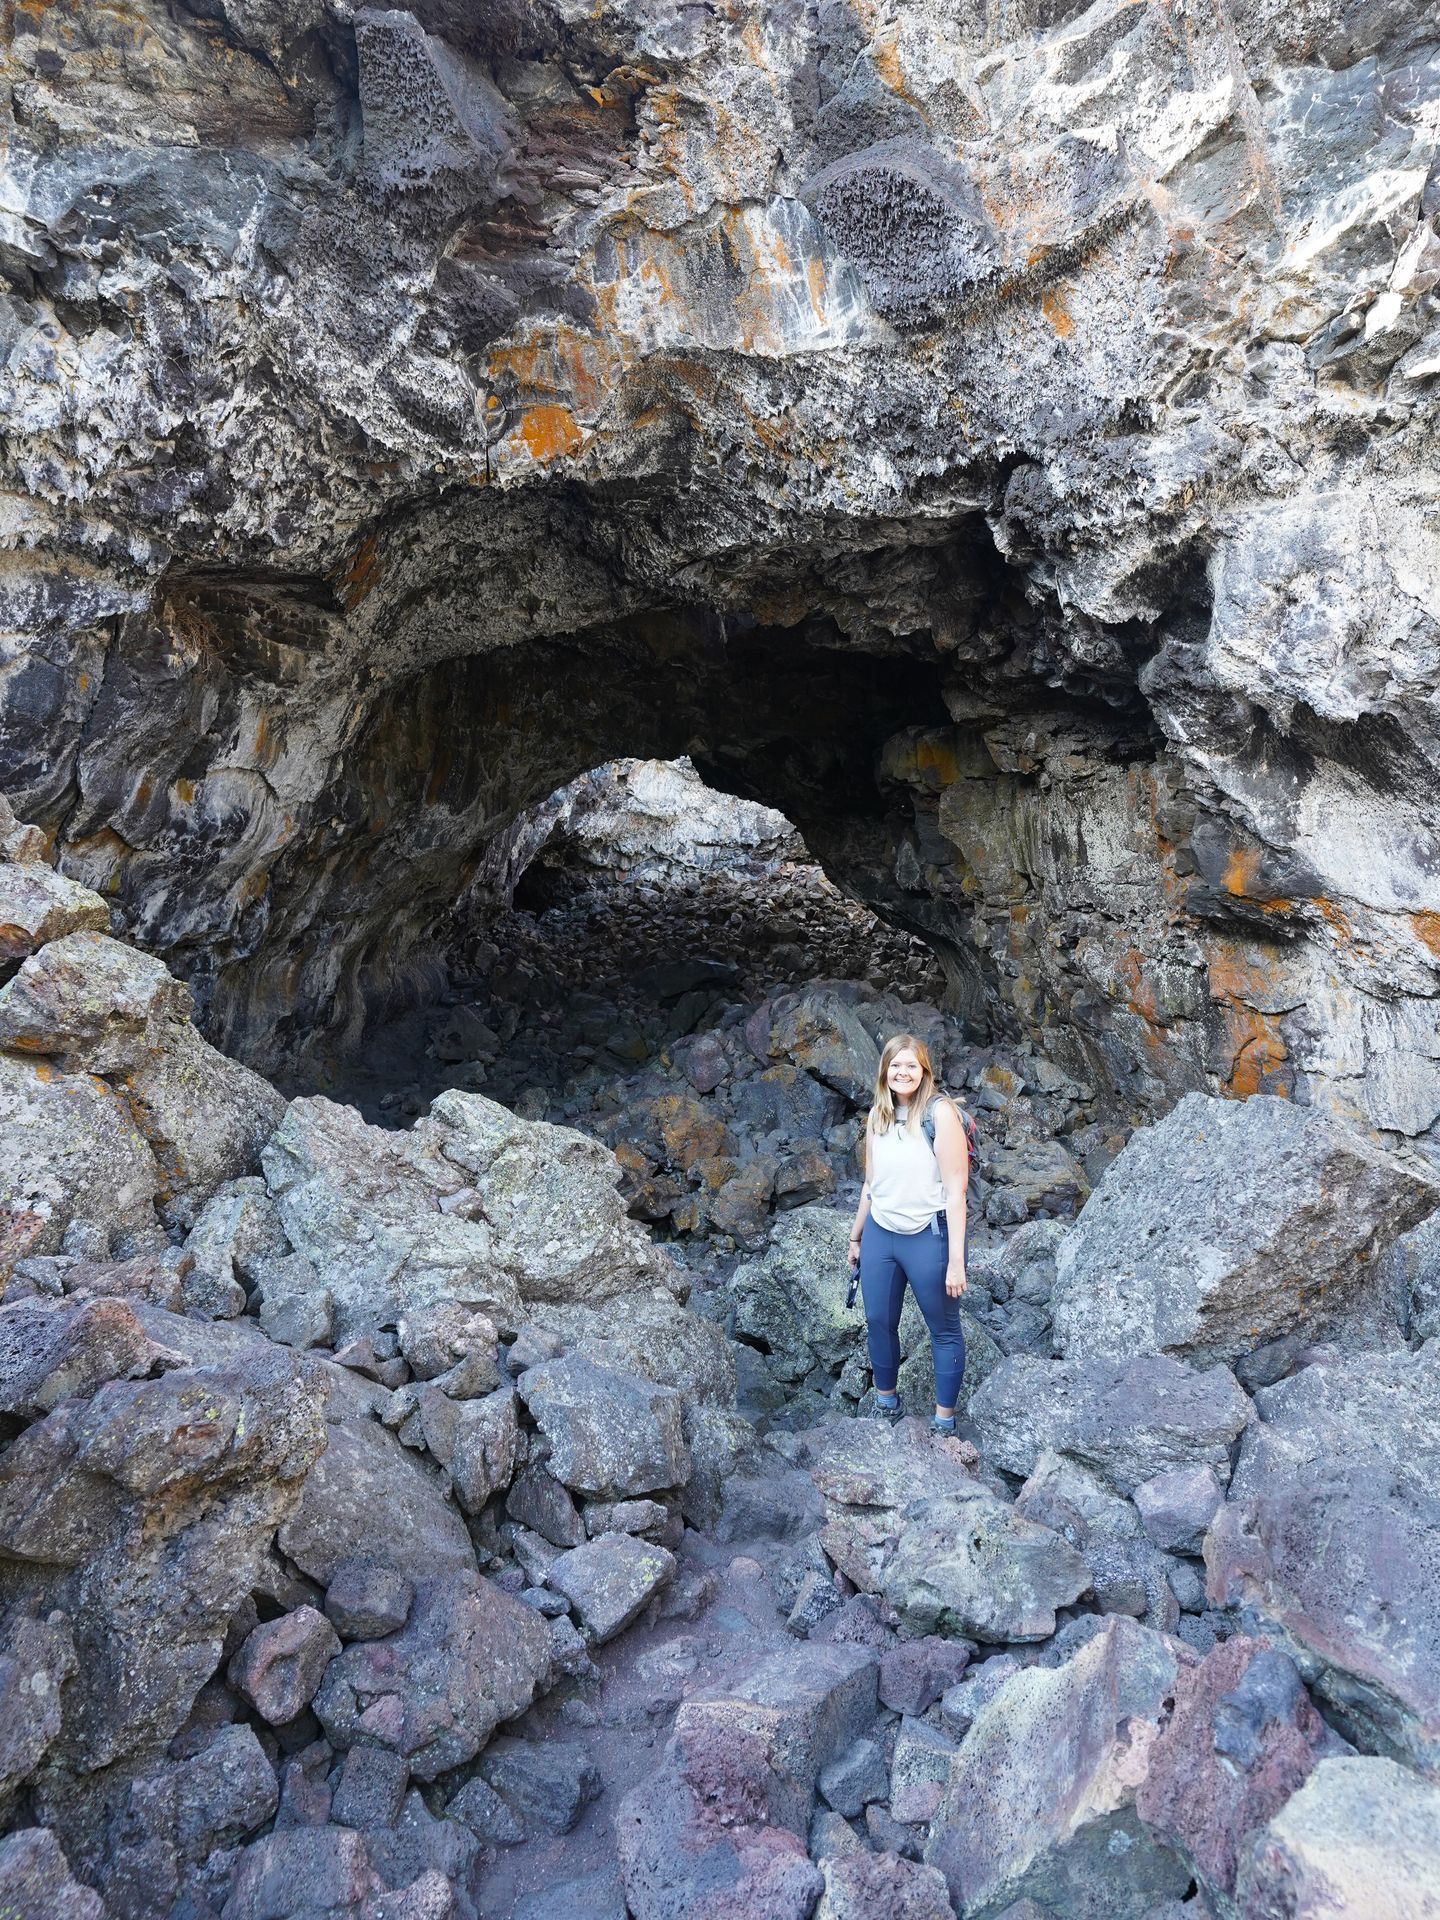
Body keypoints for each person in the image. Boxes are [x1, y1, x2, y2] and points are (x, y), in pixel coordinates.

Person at [847, 1033, 969, 1434]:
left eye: (911, 1065)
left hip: (927, 1236)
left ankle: (944, 1422)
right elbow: (871, 1183)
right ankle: (887, 1403)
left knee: (943, 1328)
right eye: (895, 1065)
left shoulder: (940, 1114)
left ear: (924, 1071)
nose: (903, 1072)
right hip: (882, 1233)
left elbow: (956, 1192)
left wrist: (955, 1263)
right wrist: (856, 1236)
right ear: (884, 1070)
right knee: (879, 1320)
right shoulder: (876, 1117)